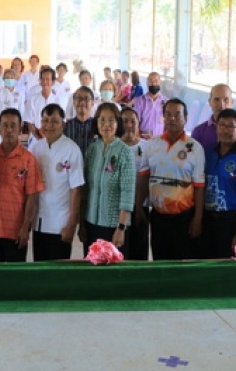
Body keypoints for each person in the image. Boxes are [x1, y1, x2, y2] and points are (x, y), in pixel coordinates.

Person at [141, 99, 205, 260]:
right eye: (168, 114)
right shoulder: (152, 144)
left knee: (182, 263)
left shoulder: (195, 148)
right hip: (158, 216)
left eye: (177, 114)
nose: (172, 118)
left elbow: (199, 186)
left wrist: (197, 218)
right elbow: (143, 178)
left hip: (184, 218)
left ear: (186, 118)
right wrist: (138, 207)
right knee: (160, 260)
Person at [0, 109, 42, 262]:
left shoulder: (28, 159)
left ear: (20, 128)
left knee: (15, 280)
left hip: (16, 232)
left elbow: (32, 195)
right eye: (5, 125)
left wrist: (25, 227)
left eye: (13, 126)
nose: (9, 130)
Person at [201, 108, 236, 259]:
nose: (225, 130)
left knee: (227, 265)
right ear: (216, 128)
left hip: (231, 222)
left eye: (230, 126)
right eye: (222, 125)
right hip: (208, 220)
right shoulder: (208, 155)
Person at [29, 103, 83, 260]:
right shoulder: (36, 148)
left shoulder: (72, 149)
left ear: (63, 124)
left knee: (59, 273)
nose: (49, 125)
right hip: (39, 222)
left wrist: (71, 224)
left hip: (61, 224)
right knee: (39, 269)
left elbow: (76, 190)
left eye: (54, 121)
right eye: (45, 120)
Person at [83, 103, 136, 254]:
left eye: (111, 120)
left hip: (114, 226)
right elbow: (86, 189)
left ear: (117, 123)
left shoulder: (125, 152)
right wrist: (82, 223)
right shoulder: (92, 150)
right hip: (91, 223)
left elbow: (127, 192)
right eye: (102, 120)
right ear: (96, 123)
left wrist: (121, 227)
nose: (106, 125)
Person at [190, 84, 236, 160]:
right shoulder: (199, 132)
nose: (221, 105)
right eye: (216, 99)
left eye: (226, 100)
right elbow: (191, 162)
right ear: (210, 102)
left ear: (232, 102)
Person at [121, 106, 150, 261]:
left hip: (141, 207)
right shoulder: (114, 146)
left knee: (139, 251)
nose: (129, 125)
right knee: (121, 250)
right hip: (118, 209)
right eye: (125, 121)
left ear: (139, 123)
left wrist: (139, 206)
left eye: (133, 121)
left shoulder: (147, 147)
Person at [25, 67, 59, 139]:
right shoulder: (33, 99)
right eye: (43, 79)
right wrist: (39, 138)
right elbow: (30, 122)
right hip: (36, 139)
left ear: (53, 82)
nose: (45, 82)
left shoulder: (57, 101)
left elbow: (61, 122)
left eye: (47, 79)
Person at [64, 86, 96, 156]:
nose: (82, 102)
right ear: (73, 102)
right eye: (78, 98)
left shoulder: (98, 126)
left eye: (86, 98)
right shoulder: (65, 127)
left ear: (92, 103)